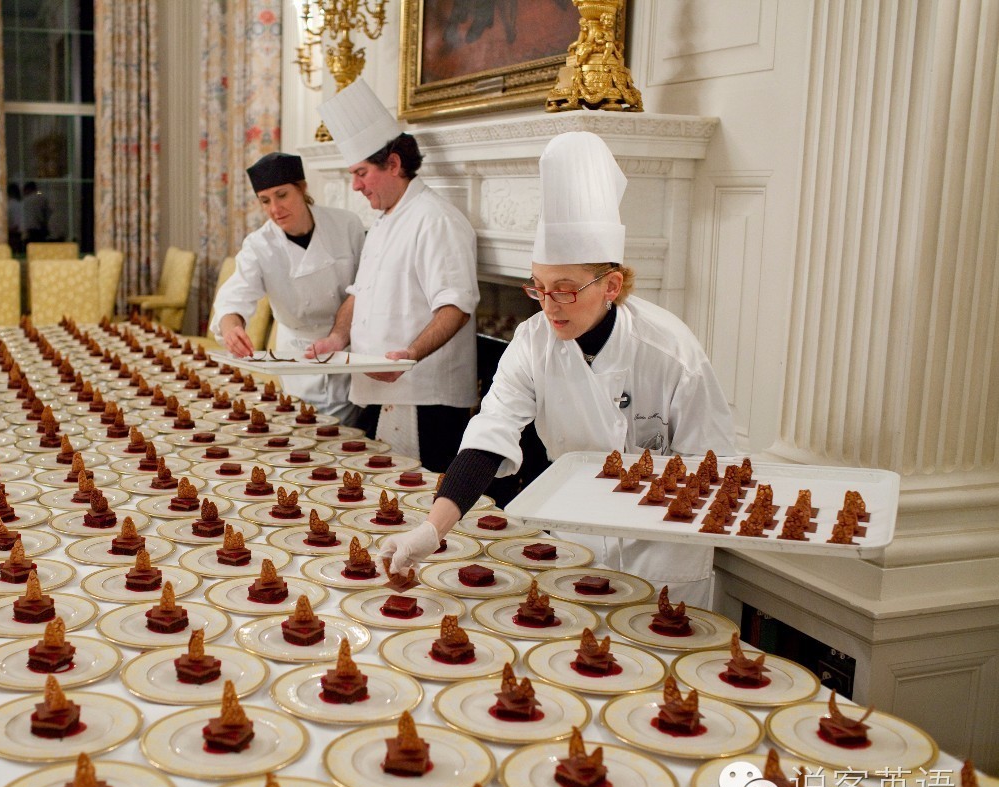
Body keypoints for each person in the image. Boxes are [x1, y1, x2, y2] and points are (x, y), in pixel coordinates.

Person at [378, 132, 736, 607]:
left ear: (611, 285)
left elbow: (716, 472)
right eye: (538, 287)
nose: (549, 306)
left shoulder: (672, 353)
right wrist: (430, 531)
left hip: (662, 559)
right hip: (573, 548)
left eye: (564, 289)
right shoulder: (532, 343)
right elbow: (488, 440)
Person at [306, 80, 479, 472]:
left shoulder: (437, 220)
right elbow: (357, 295)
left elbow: (457, 307)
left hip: (424, 398)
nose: (355, 185)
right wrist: (337, 337)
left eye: (361, 172)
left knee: (417, 508)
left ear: (394, 164)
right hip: (375, 389)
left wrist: (410, 356)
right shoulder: (384, 221)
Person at [210, 152, 365, 421]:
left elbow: (367, 284)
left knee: (350, 435)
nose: (275, 209)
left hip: (348, 346)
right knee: (303, 429)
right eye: (265, 201)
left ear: (303, 188)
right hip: (296, 354)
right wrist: (232, 328)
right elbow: (233, 298)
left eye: (282, 195)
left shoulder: (347, 224)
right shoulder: (259, 245)